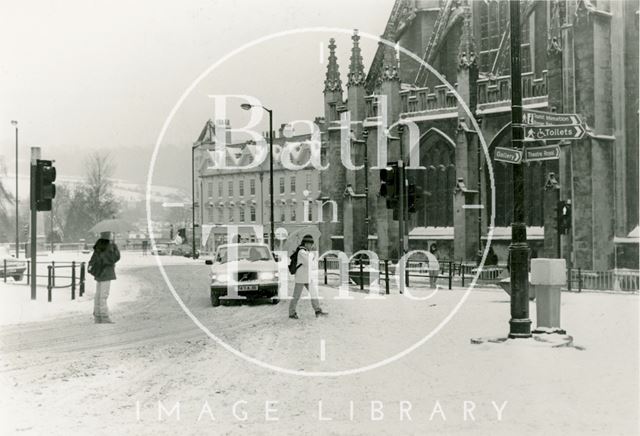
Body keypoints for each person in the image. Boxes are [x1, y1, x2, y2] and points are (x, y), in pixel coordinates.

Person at [289, 235, 327, 319]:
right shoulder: (301, 252)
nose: (311, 245)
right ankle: (291, 313)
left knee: (314, 294)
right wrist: (313, 254)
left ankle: (318, 310)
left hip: (307, 277)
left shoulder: (305, 252)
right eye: (310, 244)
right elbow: (309, 262)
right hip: (301, 278)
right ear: (306, 243)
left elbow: (312, 265)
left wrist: (311, 254)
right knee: (296, 296)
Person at [89, 231, 121, 324]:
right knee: (104, 295)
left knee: (98, 295)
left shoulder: (99, 245)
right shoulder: (108, 246)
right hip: (106, 273)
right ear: (108, 236)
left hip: (99, 273)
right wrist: (115, 247)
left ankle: (97, 316)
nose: (112, 235)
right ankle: (104, 316)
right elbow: (114, 258)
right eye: (111, 234)